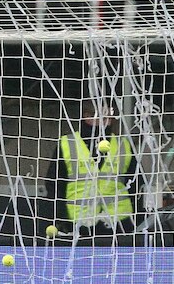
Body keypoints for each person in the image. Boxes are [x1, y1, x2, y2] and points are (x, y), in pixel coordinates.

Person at [45, 103, 140, 244]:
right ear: (86, 116)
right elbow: (54, 184)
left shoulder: (123, 145)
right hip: (78, 222)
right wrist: (61, 217)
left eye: (108, 115)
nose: (105, 119)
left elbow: (136, 184)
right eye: (101, 114)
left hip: (120, 222)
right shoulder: (67, 144)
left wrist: (136, 219)